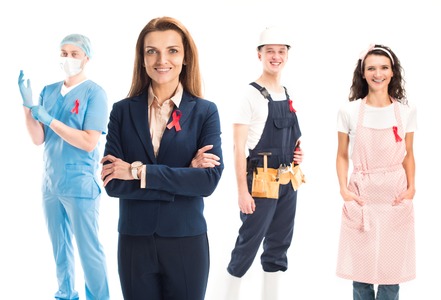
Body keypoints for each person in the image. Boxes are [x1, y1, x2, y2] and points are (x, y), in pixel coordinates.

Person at [100, 16, 223, 300]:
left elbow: (206, 182)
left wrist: (136, 172)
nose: (161, 59)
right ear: (142, 59)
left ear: (185, 58)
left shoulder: (205, 112)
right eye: (151, 51)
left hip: (186, 239)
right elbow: (112, 183)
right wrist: (182, 175)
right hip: (134, 240)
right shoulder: (122, 111)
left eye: (172, 50)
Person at [17, 34, 110, 299]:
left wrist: (49, 119)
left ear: (86, 58)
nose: (67, 58)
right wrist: (27, 106)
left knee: (88, 251)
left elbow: (89, 142)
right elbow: (38, 139)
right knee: (60, 249)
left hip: (79, 184)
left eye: (74, 53)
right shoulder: (48, 91)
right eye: (63, 53)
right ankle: (66, 294)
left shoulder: (95, 93)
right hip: (51, 184)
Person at [225, 26, 304, 300]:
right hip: (259, 181)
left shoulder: (286, 92)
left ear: (287, 55)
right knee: (248, 242)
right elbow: (237, 147)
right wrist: (241, 192)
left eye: (281, 51)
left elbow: (293, 138)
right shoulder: (249, 95)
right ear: (259, 54)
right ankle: (229, 295)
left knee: (279, 243)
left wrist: (297, 154)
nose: (276, 56)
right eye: (270, 51)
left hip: (287, 181)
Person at [336, 44, 417, 300]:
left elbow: (409, 154)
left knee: (391, 275)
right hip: (362, 197)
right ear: (363, 73)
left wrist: (411, 188)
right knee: (361, 273)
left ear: (393, 73)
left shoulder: (405, 112)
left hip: (394, 198)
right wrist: (344, 190)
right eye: (371, 68)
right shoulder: (348, 112)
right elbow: (340, 155)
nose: (378, 73)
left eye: (384, 67)